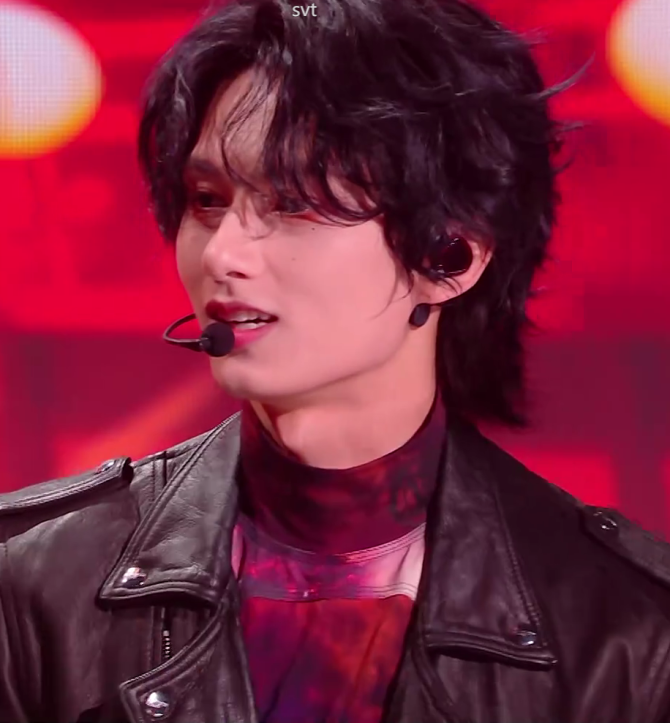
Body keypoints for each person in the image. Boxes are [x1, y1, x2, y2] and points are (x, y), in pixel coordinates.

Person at [2, 0, 670, 721]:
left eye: (293, 203)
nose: (223, 254)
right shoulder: (39, 578)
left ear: (450, 255)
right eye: (207, 199)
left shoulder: (626, 627)